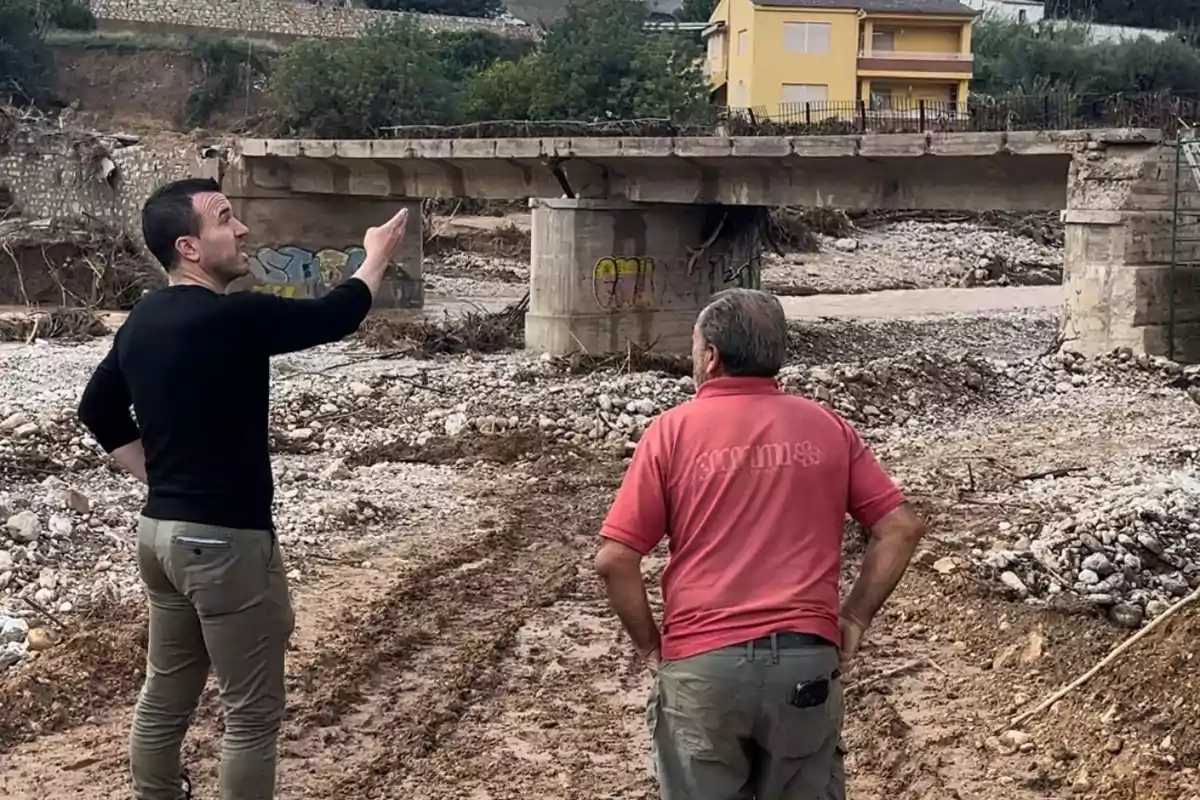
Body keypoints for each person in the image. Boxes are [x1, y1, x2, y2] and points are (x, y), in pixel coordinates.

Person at [76, 177, 410, 800]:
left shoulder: (142, 319)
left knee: (165, 693)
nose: (245, 230)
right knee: (250, 715)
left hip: (159, 539)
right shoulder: (236, 315)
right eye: (227, 219)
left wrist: (159, 480)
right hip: (224, 544)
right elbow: (337, 314)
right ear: (191, 247)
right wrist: (376, 254)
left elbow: (97, 409)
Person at [594, 288, 926, 800]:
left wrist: (651, 649)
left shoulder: (671, 433)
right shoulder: (827, 426)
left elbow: (616, 560)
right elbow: (900, 528)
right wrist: (854, 618)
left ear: (711, 356)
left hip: (702, 669)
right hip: (804, 666)